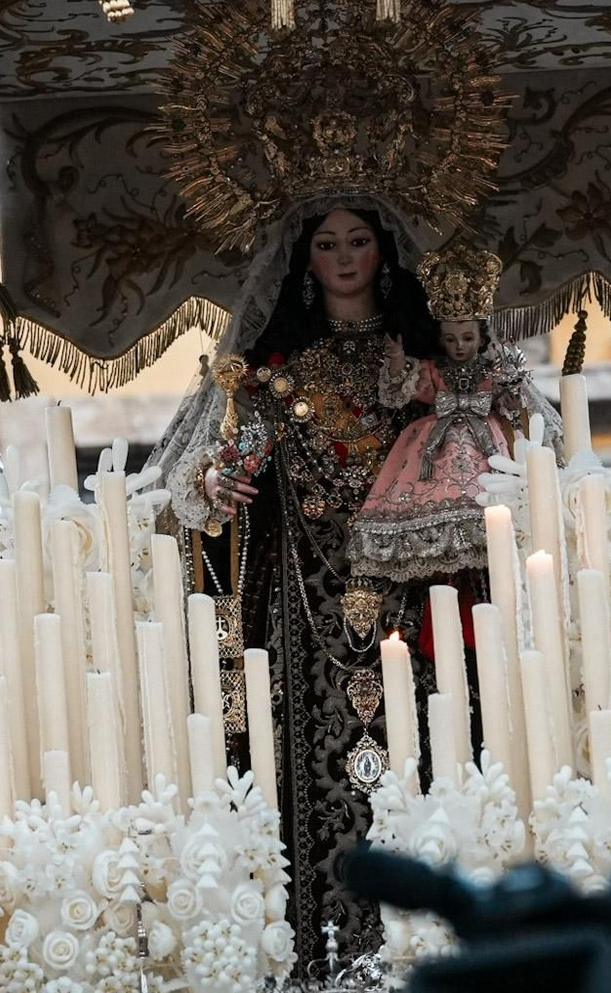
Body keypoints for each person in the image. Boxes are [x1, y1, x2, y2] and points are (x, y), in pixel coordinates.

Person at [159, 198, 445, 967]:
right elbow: (228, 462)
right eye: (327, 244)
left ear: (384, 253)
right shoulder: (277, 378)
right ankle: (316, 958)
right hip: (304, 612)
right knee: (304, 768)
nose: (346, 257)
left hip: (410, 603)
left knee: (422, 752)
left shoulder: (420, 366)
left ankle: (420, 953)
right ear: (306, 261)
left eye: (358, 241)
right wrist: (216, 483)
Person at [347, 239, 533, 584]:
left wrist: (509, 389)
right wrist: (398, 359)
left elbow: (511, 403)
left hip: (486, 446)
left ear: (481, 338)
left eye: (466, 338)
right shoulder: (433, 371)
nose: (459, 346)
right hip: (434, 445)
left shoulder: (491, 371)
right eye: (450, 339)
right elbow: (399, 391)